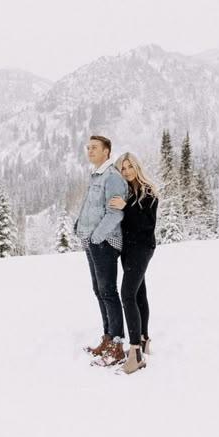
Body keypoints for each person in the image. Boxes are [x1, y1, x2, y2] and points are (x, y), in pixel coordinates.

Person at [75, 135, 129, 365]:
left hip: (104, 243)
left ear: (107, 151)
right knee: (99, 290)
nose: (90, 151)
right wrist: (78, 225)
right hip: (91, 241)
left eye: (95, 147)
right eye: (88, 147)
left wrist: (97, 237)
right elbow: (90, 206)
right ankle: (107, 338)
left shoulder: (113, 177)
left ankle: (117, 345)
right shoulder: (96, 175)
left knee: (108, 291)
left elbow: (115, 212)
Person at [109, 152, 158, 374]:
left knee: (127, 295)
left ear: (136, 167)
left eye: (130, 167)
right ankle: (144, 338)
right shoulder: (125, 191)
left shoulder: (148, 191)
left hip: (142, 247)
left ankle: (135, 352)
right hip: (127, 249)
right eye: (123, 168)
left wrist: (125, 206)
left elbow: (146, 224)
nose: (127, 171)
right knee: (138, 294)